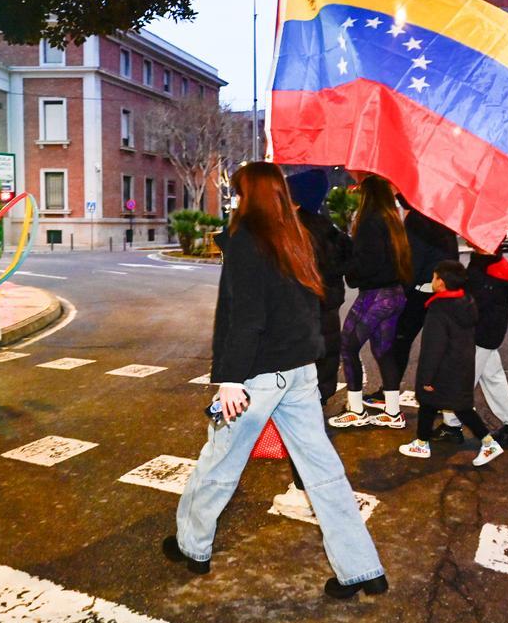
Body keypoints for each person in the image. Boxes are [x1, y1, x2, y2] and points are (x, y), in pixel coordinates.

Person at [164, 162, 388, 599]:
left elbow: (245, 318)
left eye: (240, 193)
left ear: (251, 197)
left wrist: (230, 379)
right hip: (301, 372)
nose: (235, 200)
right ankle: (361, 568)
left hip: (256, 378)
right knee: (323, 472)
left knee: (220, 464)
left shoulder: (250, 241)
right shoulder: (297, 237)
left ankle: (194, 546)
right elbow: (312, 306)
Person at [276, 170, 353, 515]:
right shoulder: (329, 230)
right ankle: (309, 485)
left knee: (300, 412)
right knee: (313, 402)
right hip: (327, 322)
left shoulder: (292, 233)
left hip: (299, 328)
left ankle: (306, 490)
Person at [398, 260, 503, 466]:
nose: (432, 280)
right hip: (461, 365)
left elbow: (433, 348)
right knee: (444, 405)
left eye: (435, 277)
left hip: (443, 369)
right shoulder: (466, 302)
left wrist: (427, 377)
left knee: (444, 404)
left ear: (442, 283)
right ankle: (422, 442)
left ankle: (487, 442)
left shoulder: (439, 310)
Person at [329, 175, 412, 429]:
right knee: (383, 351)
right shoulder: (392, 220)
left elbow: (367, 263)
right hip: (395, 294)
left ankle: (355, 409)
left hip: (375, 296)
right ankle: (393, 412)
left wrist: (345, 269)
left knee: (347, 345)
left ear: (368, 195)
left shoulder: (369, 221)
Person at [362, 197, 458, 411]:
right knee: (439, 349)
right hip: (445, 292)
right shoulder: (440, 216)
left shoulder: (417, 219)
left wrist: (399, 295)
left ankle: (390, 392)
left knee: (398, 343)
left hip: (420, 294)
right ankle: (444, 407)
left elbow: (411, 264)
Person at [435, 246, 508, 447]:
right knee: (493, 378)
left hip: (478, 334)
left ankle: (451, 427)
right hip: (486, 334)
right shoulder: (489, 264)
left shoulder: (492, 270)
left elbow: (474, 303)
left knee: (459, 380)